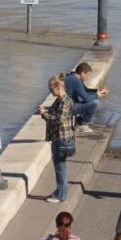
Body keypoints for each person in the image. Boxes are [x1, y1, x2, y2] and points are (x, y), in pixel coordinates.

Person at [39, 74, 76, 204]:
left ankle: (61, 195)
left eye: (51, 90)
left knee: (60, 168)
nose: (50, 92)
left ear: (57, 87)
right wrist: (46, 112)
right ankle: (59, 192)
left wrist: (44, 114)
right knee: (60, 167)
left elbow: (59, 120)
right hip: (61, 138)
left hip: (61, 139)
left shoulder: (64, 101)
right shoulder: (63, 100)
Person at [65, 62, 109, 132]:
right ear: (82, 73)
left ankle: (80, 120)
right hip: (68, 108)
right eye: (87, 75)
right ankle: (81, 124)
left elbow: (85, 90)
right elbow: (86, 98)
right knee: (95, 103)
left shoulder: (74, 76)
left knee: (92, 99)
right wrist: (97, 95)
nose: (88, 77)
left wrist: (98, 91)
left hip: (68, 105)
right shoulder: (76, 80)